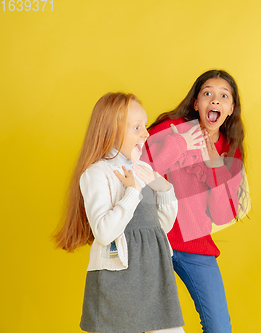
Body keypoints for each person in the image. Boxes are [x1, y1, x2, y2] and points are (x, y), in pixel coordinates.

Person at [54, 92, 184, 333]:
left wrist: (164, 189)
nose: (146, 133)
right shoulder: (96, 174)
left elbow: (159, 228)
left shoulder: (142, 168)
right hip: (118, 279)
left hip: (154, 273)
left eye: (144, 126)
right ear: (110, 132)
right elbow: (104, 233)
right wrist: (132, 193)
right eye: (137, 128)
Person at [144, 69, 248, 333]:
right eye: (207, 94)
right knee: (151, 326)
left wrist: (215, 165)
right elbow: (139, 169)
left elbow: (223, 215)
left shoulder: (230, 149)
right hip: (152, 241)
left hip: (195, 245)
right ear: (196, 103)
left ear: (231, 108)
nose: (215, 100)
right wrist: (179, 144)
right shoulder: (171, 129)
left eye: (223, 96)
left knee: (220, 328)